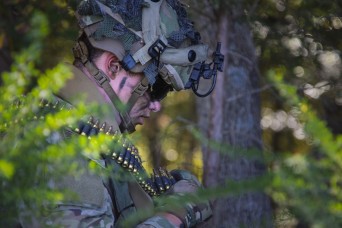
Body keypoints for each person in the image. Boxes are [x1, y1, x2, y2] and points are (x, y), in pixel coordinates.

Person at [20, 0, 224, 227]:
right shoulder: (59, 144)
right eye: (154, 87)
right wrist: (175, 215)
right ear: (113, 66)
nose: (156, 105)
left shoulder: (88, 137)